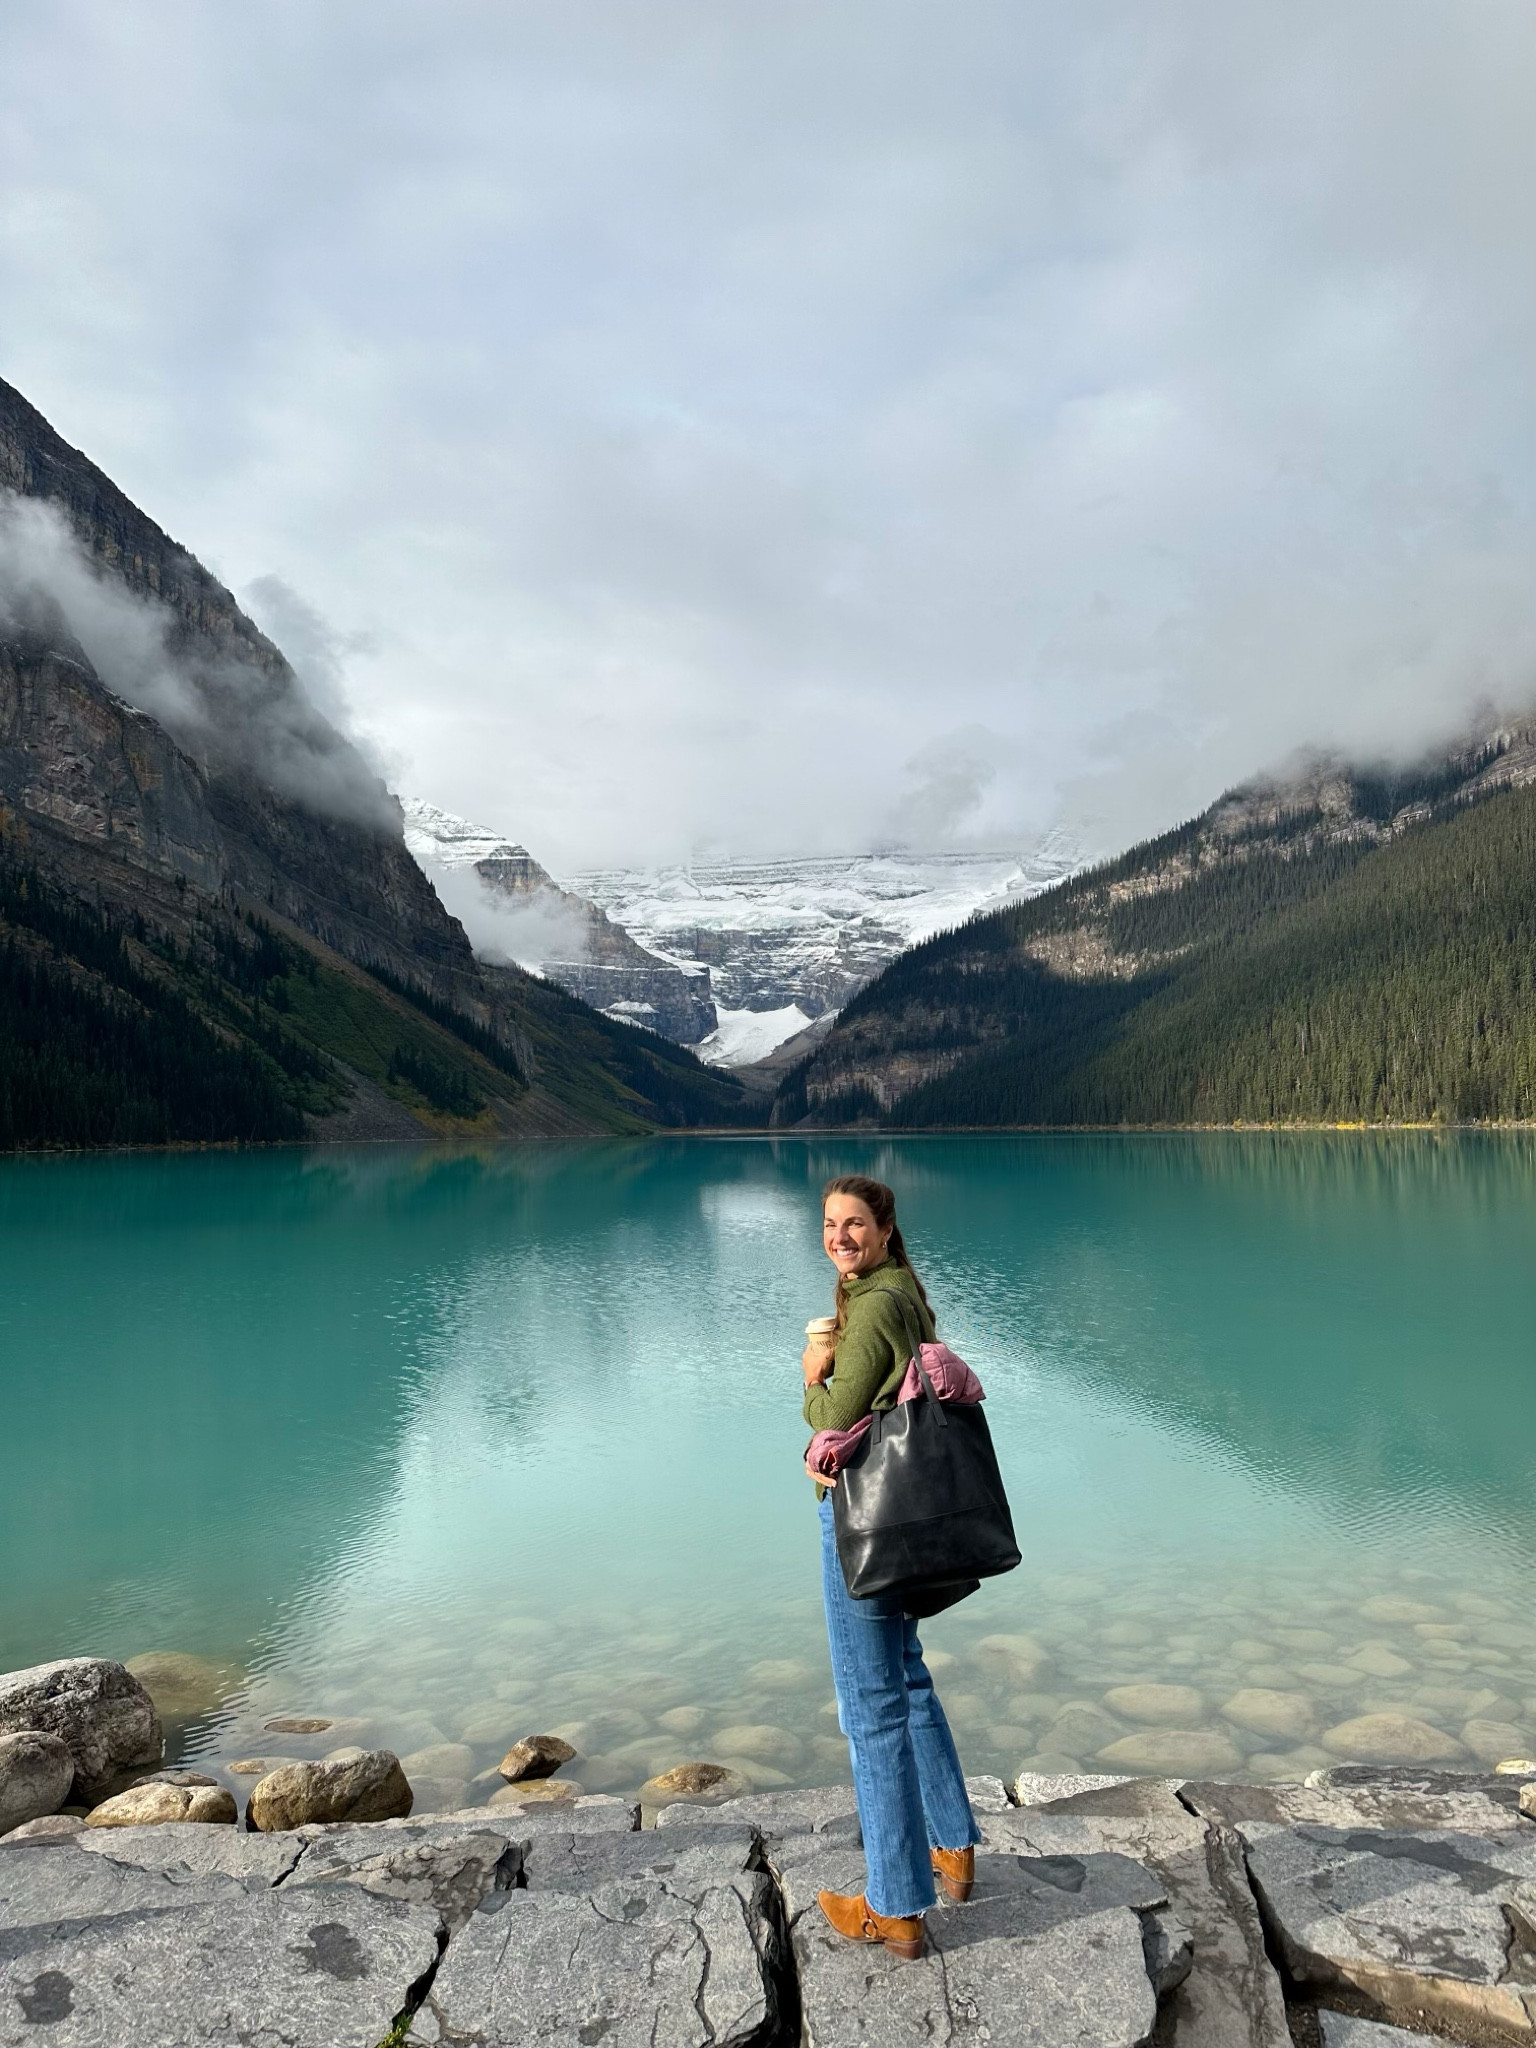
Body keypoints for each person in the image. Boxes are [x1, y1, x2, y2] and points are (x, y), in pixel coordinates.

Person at [801, 1173, 982, 1960]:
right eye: (829, 1224)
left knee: (870, 1706)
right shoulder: (904, 1291)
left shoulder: (873, 1305)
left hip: (865, 1522)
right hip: (907, 1516)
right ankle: (952, 1846)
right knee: (906, 1678)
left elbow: (834, 1415)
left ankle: (895, 1905)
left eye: (853, 1224)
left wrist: (813, 1370)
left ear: (883, 1228)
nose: (839, 1236)